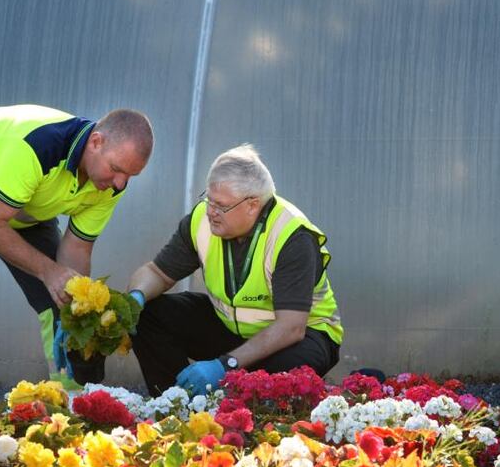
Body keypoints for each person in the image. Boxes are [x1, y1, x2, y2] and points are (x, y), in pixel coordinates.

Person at [0, 103, 153, 415]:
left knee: (63, 300)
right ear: (96, 142)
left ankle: (72, 408)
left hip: (20, 201)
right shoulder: (40, 148)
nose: (120, 183)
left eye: (131, 176)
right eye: (116, 169)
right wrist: (48, 271)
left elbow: (77, 250)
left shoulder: (110, 186)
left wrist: (73, 311)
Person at [127, 144, 342, 396]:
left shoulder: (292, 236)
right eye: (208, 199)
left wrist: (225, 365)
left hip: (299, 336)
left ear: (252, 205)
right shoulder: (202, 222)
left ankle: (247, 414)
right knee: (150, 313)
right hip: (233, 329)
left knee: (284, 371)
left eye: (221, 206)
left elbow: (291, 327)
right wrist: (135, 297)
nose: (210, 212)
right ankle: (172, 402)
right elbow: (157, 273)